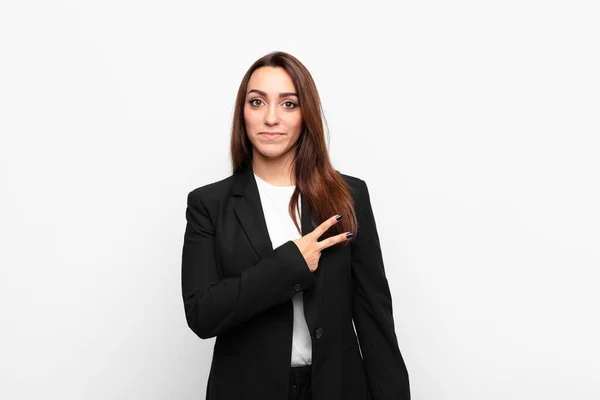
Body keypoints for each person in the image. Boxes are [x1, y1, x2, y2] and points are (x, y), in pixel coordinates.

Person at [181, 51, 410, 400]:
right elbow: (202, 314)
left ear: (306, 116)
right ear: (242, 113)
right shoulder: (209, 205)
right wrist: (290, 265)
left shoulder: (349, 194)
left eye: (288, 104)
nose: (271, 117)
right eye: (257, 102)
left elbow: (374, 317)